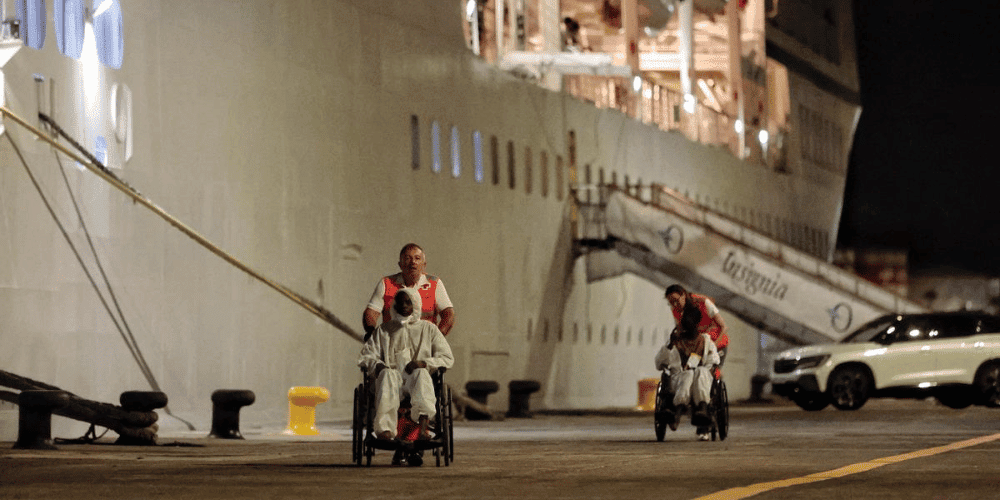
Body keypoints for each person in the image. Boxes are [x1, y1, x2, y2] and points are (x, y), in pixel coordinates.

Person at [358, 287, 454, 462]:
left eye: (408, 301)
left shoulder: (428, 329)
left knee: (421, 373)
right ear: (394, 304)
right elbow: (366, 356)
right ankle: (385, 429)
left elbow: (446, 357)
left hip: (415, 382)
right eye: (400, 301)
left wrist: (424, 363)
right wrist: (377, 365)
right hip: (391, 379)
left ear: (416, 304)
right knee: (387, 374)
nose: (403, 305)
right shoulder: (384, 330)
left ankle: (424, 424)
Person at [363, 243, 455, 341]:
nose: (413, 262)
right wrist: (371, 332)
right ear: (400, 264)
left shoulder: (434, 283)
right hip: (392, 345)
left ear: (424, 264)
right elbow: (371, 313)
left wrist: (436, 339)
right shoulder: (386, 283)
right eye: (407, 258)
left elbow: (449, 315)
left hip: (424, 346)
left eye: (417, 258)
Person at [654, 306, 720, 441]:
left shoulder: (706, 342)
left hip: (701, 383)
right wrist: (669, 345)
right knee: (688, 374)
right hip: (677, 381)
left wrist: (705, 369)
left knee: (700, 371)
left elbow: (713, 362)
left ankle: (701, 407)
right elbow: (659, 364)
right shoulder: (674, 342)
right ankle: (677, 410)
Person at [664, 284, 729, 365]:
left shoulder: (703, 302)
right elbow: (680, 331)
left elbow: (724, 327)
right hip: (699, 350)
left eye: (676, 300)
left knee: (712, 373)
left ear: (683, 295)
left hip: (717, 347)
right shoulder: (676, 310)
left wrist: (713, 347)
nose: (675, 305)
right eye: (671, 303)